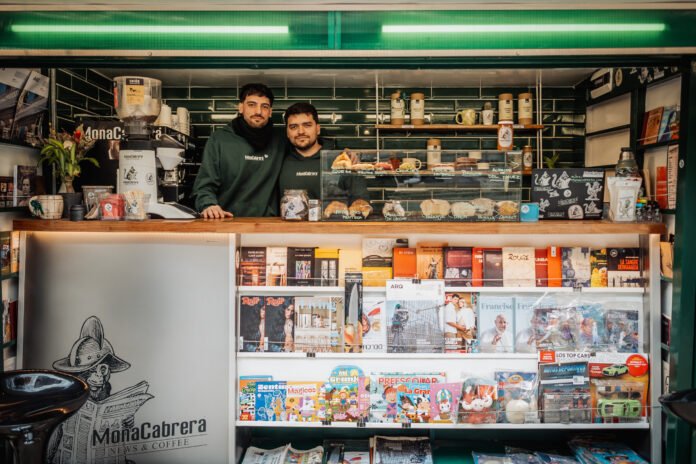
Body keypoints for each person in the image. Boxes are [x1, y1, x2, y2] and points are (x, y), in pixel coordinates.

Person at [192, 83, 286, 218]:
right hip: (227, 220)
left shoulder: (281, 140)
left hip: (268, 223)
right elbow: (204, 185)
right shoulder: (219, 139)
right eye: (252, 105)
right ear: (241, 107)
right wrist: (208, 205)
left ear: (270, 112)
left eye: (264, 106)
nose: (258, 111)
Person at [279, 102, 368, 206]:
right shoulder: (278, 160)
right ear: (287, 132)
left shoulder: (341, 161)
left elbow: (362, 203)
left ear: (318, 129)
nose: (301, 131)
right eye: (294, 127)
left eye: (307, 125)